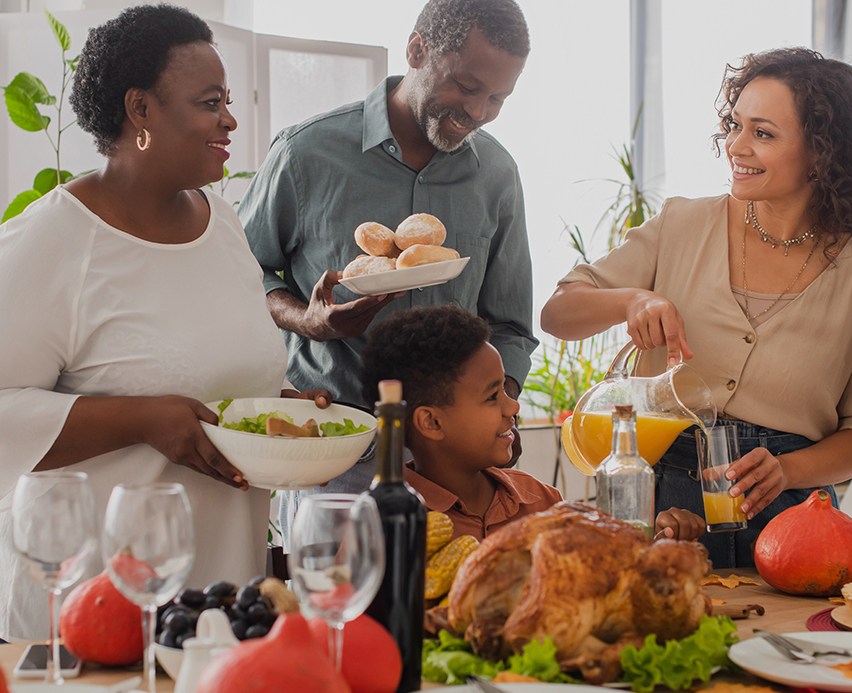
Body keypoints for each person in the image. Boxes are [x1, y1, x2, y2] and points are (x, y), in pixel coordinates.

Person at [0, 4, 327, 641]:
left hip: (216, 599)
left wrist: (279, 412)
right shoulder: (53, 240)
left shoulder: (222, 222)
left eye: (227, 100)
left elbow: (218, 377)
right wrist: (143, 420)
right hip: (87, 608)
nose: (230, 119)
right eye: (210, 102)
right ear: (140, 109)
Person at [541, 47, 852, 568]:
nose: (736, 145)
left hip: (791, 520)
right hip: (663, 507)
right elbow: (558, 313)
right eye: (735, 125)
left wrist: (789, 470)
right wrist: (632, 299)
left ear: (821, 152)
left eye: (763, 133)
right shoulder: (682, 225)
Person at [238, 0, 538, 497]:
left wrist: (500, 407)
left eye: (498, 98)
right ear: (417, 50)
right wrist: (307, 321)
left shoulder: (497, 175)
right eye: (467, 87)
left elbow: (509, 325)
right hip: (335, 452)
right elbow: (242, 275)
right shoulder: (306, 153)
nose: (479, 112)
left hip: (451, 465)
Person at [362, 306, 706, 542]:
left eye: (506, 389)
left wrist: (655, 545)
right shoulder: (381, 522)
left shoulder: (541, 501)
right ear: (432, 422)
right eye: (492, 396)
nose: (513, 406)